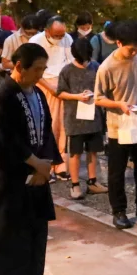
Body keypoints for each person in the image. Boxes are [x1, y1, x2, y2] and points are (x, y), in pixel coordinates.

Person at [0, 42, 60, 275]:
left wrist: (46, 164)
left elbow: (47, 130)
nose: (41, 74)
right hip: (10, 175)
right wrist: (34, 163)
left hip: (37, 172)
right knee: (10, 230)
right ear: (19, 67)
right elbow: (3, 140)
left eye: (43, 68)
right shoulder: (2, 96)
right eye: (37, 69)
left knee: (36, 228)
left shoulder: (38, 94)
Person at [94, 20, 137, 229]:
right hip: (120, 126)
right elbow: (97, 98)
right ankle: (119, 211)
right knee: (117, 171)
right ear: (118, 43)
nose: (134, 53)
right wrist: (118, 104)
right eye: (130, 49)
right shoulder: (107, 67)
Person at [57, 36, 107, 200]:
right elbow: (61, 93)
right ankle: (75, 184)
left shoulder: (96, 67)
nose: (86, 62)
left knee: (93, 151)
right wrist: (77, 96)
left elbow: (103, 88)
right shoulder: (67, 71)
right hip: (75, 119)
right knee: (75, 153)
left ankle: (93, 182)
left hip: (94, 117)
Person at [30, 15, 74, 178]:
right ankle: (46, 164)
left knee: (63, 126)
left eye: (62, 35)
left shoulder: (67, 39)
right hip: (44, 85)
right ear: (47, 31)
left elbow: (71, 63)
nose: (60, 38)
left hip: (62, 86)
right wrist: (50, 88)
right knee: (48, 125)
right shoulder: (35, 42)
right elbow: (33, 71)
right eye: (56, 35)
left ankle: (61, 163)